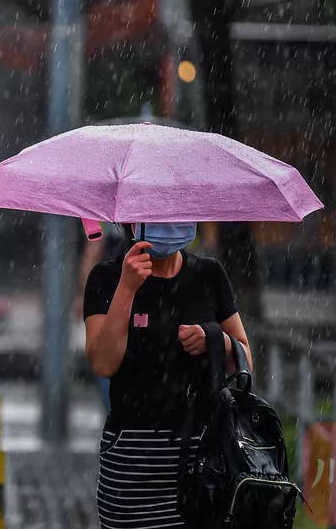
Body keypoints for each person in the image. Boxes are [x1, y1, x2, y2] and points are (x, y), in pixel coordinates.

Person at [82, 222, 253, 529]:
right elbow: (103, 364)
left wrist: (215, 339)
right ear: (130, 220)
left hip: (203, 464)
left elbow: (244, 361)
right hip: (130, 464)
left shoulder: (209, 275)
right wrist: (127, 288)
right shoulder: (106, 277)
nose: (169, 220)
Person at [73, 221, 127, 414]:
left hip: (110, 301)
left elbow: (92, 253)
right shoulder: (104, 217)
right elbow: (92, 252)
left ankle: (114, 414)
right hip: (111, 301)